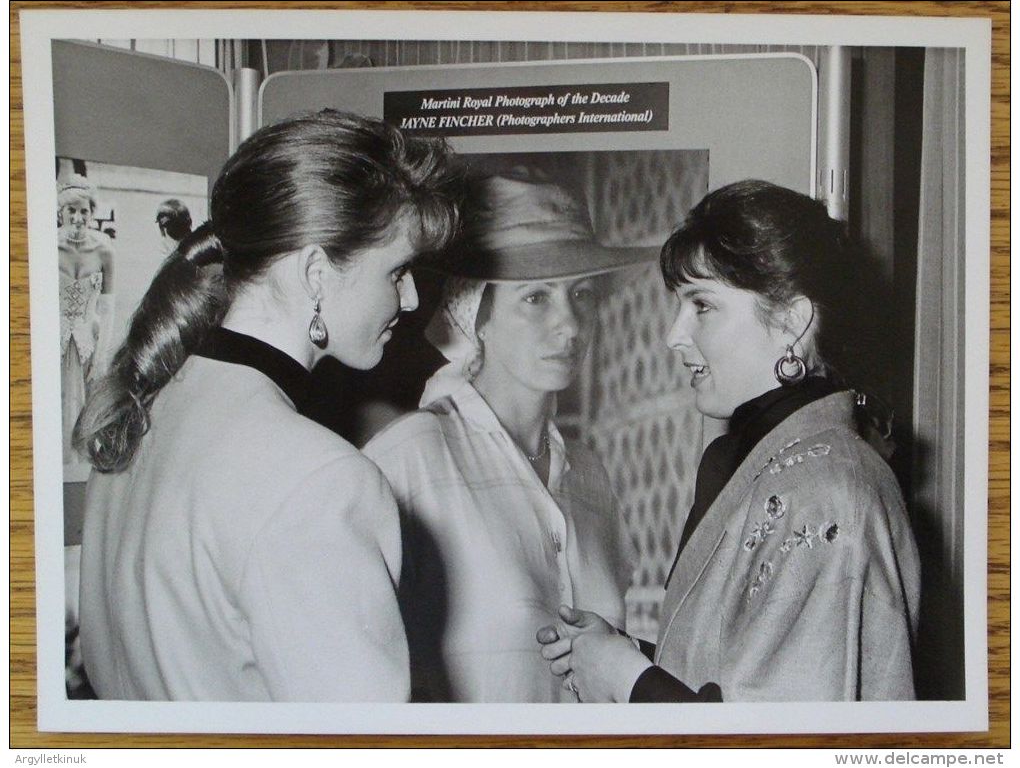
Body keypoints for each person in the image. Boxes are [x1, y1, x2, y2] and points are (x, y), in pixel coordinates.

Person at [74, 110, 463, 701]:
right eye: (398, 271)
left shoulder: (136, 417)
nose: (410, 300)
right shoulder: (322, 479)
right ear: (313, 273)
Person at [538, 179, 921, 702]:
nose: (674, 334)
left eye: (702, 305)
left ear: (791, 322)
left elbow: (777, 749)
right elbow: (744, 675)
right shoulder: (774, 464)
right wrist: (624, 656)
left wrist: (628, 681)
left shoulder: (825, 488)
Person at [363, 171, 656, 702]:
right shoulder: (411, 461)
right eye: (535, 298)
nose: (569, 324)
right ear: (477, 313)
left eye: (582, 294)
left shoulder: (590, 477)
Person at [58, 174, 115, 478]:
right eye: (71, 211)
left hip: (88, 341)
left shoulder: (104, 249)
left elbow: (108, 305)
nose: (78, 218)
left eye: (84, 211)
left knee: (86, 413)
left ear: (92, 214)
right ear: (61, 213)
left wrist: (102, 353)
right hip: (54, 341)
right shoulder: (47, 245)